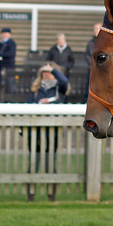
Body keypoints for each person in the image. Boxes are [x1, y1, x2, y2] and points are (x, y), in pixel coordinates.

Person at [26, 62, 69, 202]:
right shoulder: (36, 88)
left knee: (50, 162)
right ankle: (30, 195)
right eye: (43, 71)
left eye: (48, 71)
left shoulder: (59, 88)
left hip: (52, 131)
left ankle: (51, 195)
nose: (46, 73)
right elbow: (28, 105)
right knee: (33, 162)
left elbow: (65, 81)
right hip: (36, 132)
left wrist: (53, 70)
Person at [0, 27, 17, 94]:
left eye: (6, 33)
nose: (4, 35)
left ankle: (8, 97)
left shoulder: (11, 43)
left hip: (8, 66)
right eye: (3, 33)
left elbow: (11, 53)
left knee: (9, 83)